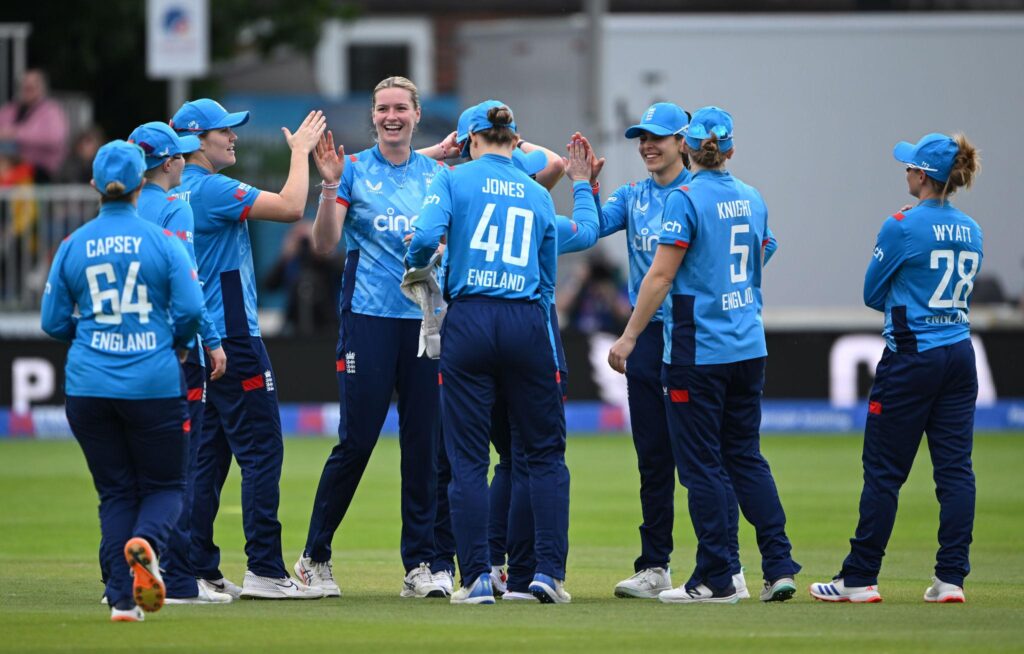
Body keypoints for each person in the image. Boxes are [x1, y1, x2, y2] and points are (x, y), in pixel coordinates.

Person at [583, 103, 776, 599]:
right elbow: (588, 231)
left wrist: (716, 289)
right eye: (642, 138)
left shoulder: (698, 196)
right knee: (654, 456)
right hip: (653, 339)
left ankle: (725, 566)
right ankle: (655, 566)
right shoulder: (633, 195)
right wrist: (581, 185)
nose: (648, 146)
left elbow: (762, 247)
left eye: (659, 138)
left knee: (706, 459)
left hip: (690, 335)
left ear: (683, 143)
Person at [407, 100, 569, 604]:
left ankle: (477, 577)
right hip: (525, 320)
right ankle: (544, 575)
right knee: (542, 455)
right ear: (514, 140)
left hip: (471, 319)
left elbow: (427, 237)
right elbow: (547, 279)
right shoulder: (537, 192)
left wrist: (418, 265)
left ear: (469, 140)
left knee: (468, 460)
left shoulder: (453, 179)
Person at [810, 133, 983, 604]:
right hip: (960, 355)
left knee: (884, 472)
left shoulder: (901, 226)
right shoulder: (972, 228)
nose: (905, 171)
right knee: (955, 472)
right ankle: (951, 579)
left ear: (923, 176)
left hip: (911, 357)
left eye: (910, 166)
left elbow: (871, 294)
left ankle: (860, 578)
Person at [40, 140, 205, 621]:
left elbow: (52, 323)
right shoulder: (163, 241)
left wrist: (90, 336)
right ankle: (146, 546)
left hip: (88, 385)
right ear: (139, 184)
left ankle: (122, 600)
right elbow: (193, 310)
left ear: (94, 185)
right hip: (152, 381)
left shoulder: (73, 245)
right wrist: (170, 340)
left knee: (114, 493)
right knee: (166, 487)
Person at [296, 76, 446, 599]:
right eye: (382, 108)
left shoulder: (438, 174)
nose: (391, 116)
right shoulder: (351, 168)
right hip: (369, 319)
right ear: (374, 116)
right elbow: (324, 243)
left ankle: (420, 565)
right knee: (357, 441)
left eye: (400, 108)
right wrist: (330, 186)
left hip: (426, 324)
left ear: (416, 114)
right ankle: (315, 557)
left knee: (424, 445)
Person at [171, 98, 326, 600]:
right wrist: (299, 153)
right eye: (224, 131)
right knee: (262, 449)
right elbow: (290, 208)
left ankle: (197, 566)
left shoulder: (175, 190)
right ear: (197, 141)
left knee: (209, 457)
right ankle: (264, 567)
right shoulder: (211, 188)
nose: (233, 138)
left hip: (201, 339)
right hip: (233, 335)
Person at [127, 121, 230, 604]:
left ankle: (118, 581)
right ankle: (183, 580)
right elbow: (189, 290)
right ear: (169, 163)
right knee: (180, 471)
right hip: (175, 354)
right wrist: (212, 341)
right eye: (181, 156)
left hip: (122, 354)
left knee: (130, 474)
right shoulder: (175, 208)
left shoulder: (119, 211)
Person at [0, 69, 69, 181]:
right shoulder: (9, 110)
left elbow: (54, 138)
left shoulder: (51, 111)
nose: (27, 89)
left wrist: (14, 134)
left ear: (42, 87)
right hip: (9, 168)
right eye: (25, 86)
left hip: (39, 172)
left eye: (32, 86)